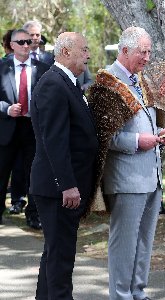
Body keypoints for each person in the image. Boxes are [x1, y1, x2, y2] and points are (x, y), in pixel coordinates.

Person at [91, 26, 165, 300]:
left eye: (150, 51)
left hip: (152, 175)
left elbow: (149, 122)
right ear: (125, 50)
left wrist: (160, 135)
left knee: (144, 242)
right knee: (124, 243)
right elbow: (104, 137)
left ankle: (138, 293)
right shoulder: (106, 83)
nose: (148, 57)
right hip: (126, 177)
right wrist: (139, 141)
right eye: (143, 51)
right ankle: (120, 296)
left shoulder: (141, 81)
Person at [30, 31, 97, 299]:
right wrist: (67, 185)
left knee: (54, 254)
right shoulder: (53, 84)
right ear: (66, 52)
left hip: (64, 185)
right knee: (61, 258)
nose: (88, 55)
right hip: (57, 188)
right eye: (84, 50)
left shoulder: (67, 82)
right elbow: (54, 140)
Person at [0, 29, 50, 228]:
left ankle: (34, 215)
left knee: (34, 173)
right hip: (7, 128)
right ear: (12, 45)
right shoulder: (2, 67)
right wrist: (6, 108)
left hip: (33, 128)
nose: (25, 45)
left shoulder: (44, 68)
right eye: (20, 42)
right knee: (2, 172)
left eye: (28, 41)